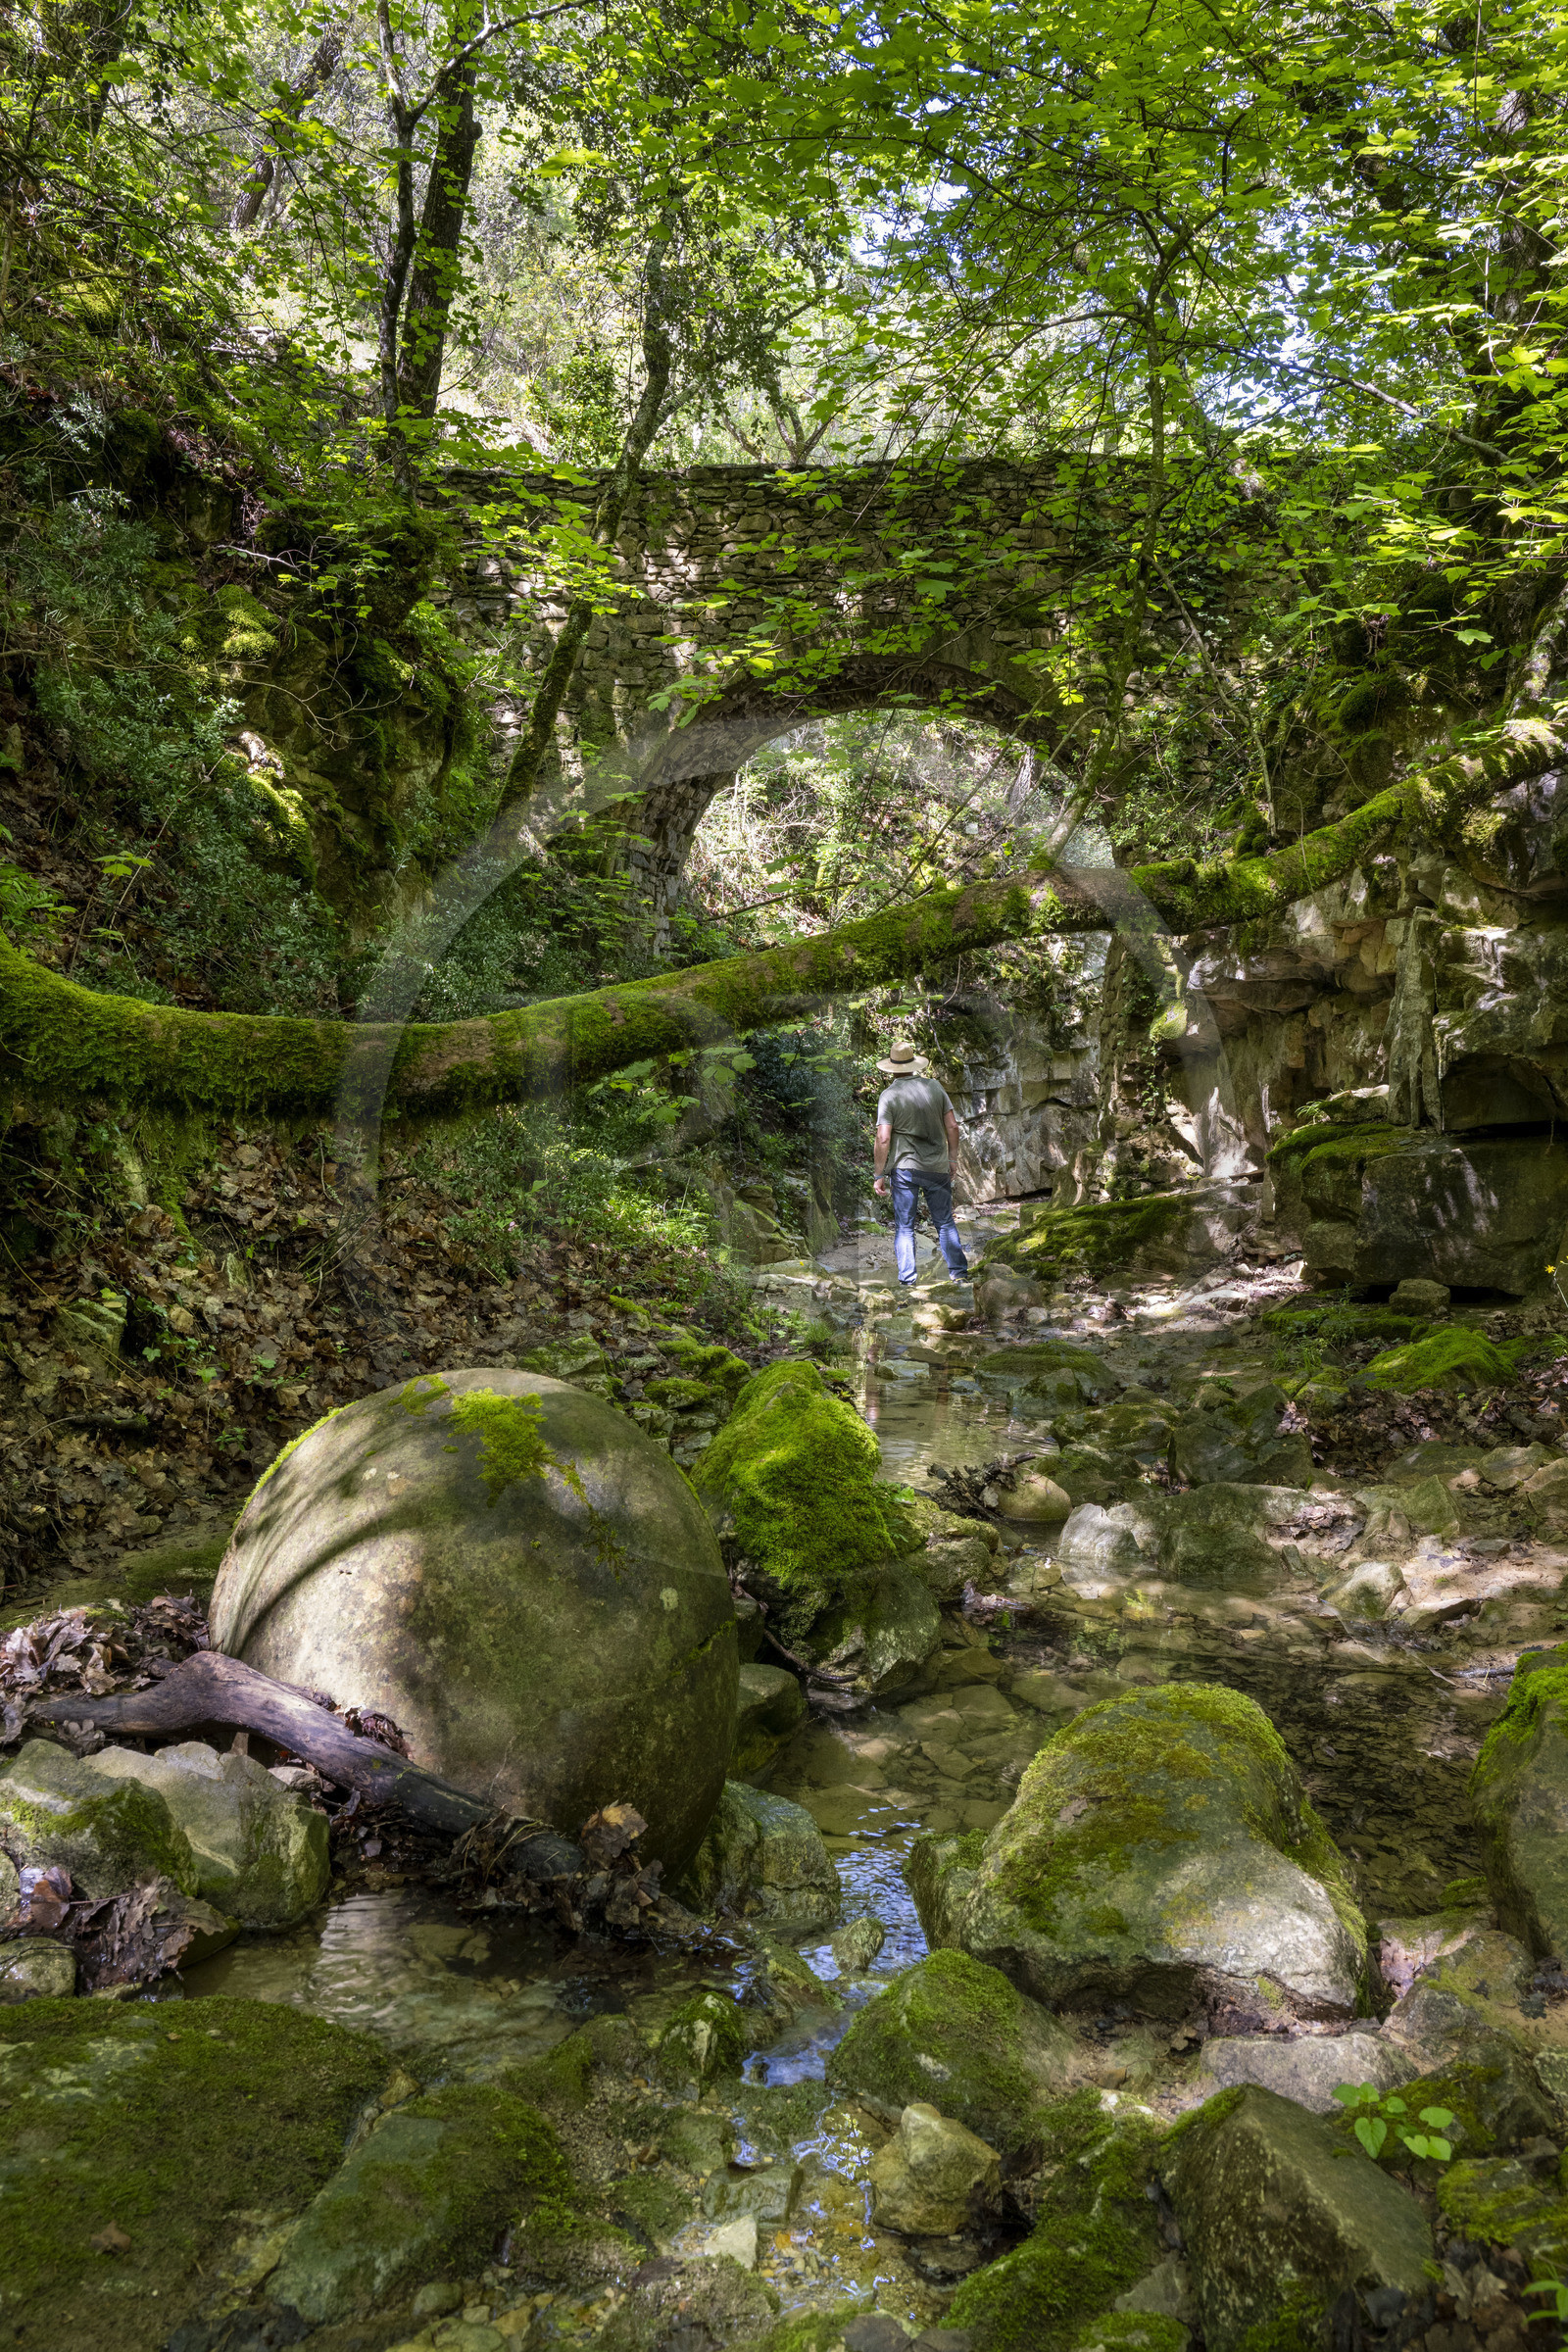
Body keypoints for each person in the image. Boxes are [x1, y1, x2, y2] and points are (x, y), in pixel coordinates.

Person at [872, 1039, 970, 1289]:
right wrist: (952, 1159)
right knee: (945, 1222)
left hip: (905, 1169)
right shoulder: (935, 1087)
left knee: (905, 1227)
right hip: (937, 1166)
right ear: (914, 1065)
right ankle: (959, 1274)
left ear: (892, 1068)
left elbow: (883, 1138)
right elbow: (953, 1127)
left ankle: (908, 1281)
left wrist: (879, 1173)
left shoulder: (889, 1095)